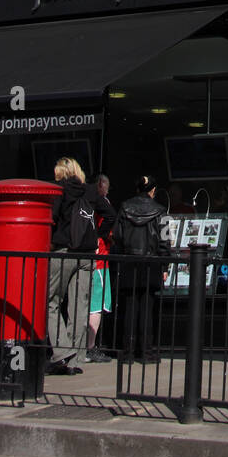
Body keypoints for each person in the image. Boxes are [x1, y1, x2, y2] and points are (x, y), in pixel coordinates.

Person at [47, 157, 115, 375]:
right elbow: (111, 215)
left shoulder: (58, 190)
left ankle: (61, 349)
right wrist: (97, 237)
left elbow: (52, 217)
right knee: (80, 307)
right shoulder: (91, 191)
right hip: (87, 254)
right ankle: (76, 359)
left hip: (64, 250)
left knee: (51, 301)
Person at [112, 175, 169, 364]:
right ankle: (146, 352)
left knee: (130, 306)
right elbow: (165, 240)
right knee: (147, 307)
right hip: (151, 261)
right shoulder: (161, 211)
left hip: (129, 260)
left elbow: (117, 236)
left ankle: (127, 353)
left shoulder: (124, 207)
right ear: (153, 191)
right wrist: (165, 265)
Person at [85, 174, 115, 363]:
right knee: (96, 305)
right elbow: (110, 225)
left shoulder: (82, 202)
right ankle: (89, 347)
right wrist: (101, 236)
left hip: (83, 257)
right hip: (99, 259)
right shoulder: (102, 203)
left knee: (82, 303)